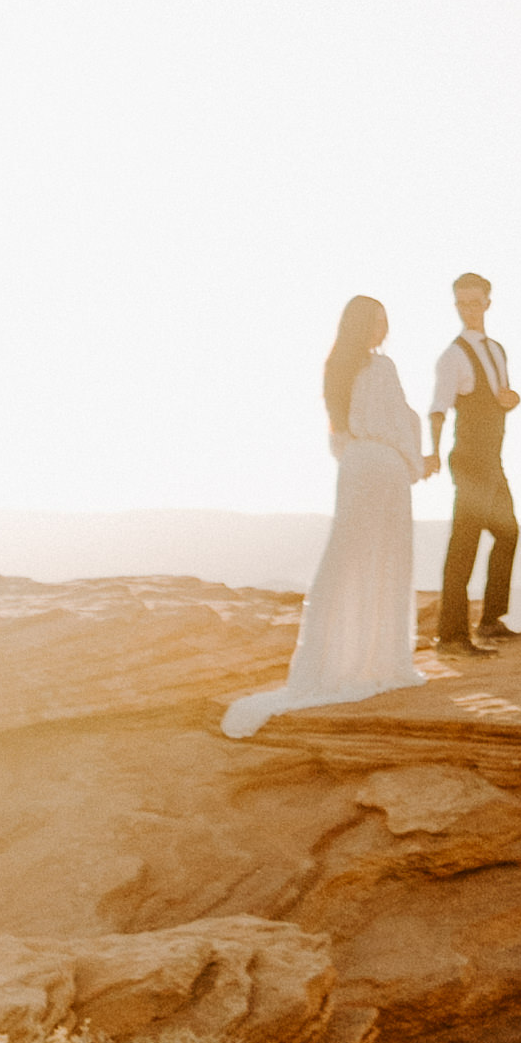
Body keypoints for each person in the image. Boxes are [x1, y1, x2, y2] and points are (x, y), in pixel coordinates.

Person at [220, 294, 436, 737]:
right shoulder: (380, 367)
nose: (384, 330)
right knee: (385, 561)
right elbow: (395, 423)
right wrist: (419, 461)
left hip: (356, 467)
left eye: (385, 321)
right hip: (383, 467)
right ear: (362, 326)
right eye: (378, 322)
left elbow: (342, 431)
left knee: (346, 559)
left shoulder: (337, 369)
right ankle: (379, 660)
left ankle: (330, 660)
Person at [427, 270, 520, 655]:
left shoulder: (497, 350)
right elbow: (438, 409)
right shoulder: (452, 356)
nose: (468, 309)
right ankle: (451, 636)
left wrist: (510, 401)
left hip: (491, 459)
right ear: (456, 305)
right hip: (468, 460)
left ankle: (491, 620)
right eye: (461, 303)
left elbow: (498, 398)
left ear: (487, 303)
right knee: (464, 545)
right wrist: (432, 452)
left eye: (474, 301)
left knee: (508, 533)